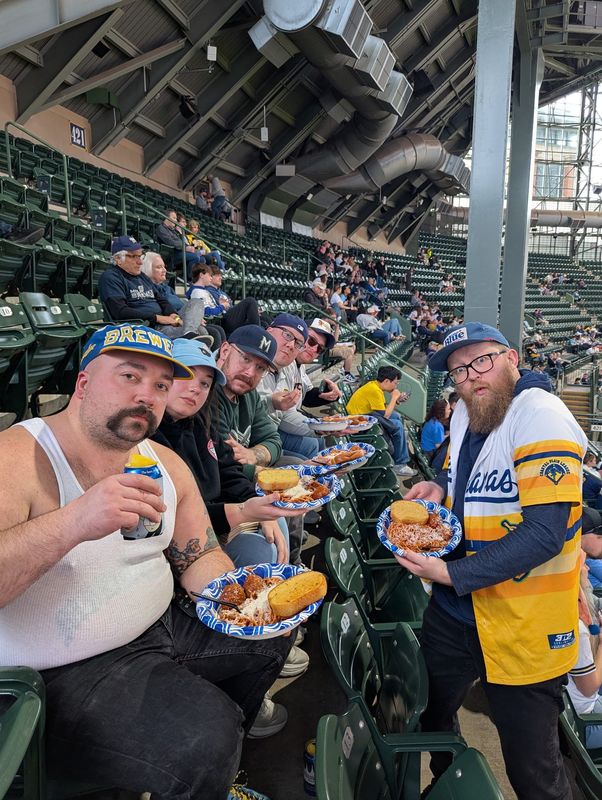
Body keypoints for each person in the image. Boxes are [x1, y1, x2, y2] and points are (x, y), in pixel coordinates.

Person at [0, 323, 293, 800]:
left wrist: (243, 602)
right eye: (130, 376)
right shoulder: (16, 455)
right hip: (63, 669)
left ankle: (194, 774)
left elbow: (201, 554)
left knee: (273, 633)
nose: (146, 396)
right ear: (83, 382)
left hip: (160, 627)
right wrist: (75, 521)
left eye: (160, 385)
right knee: (206, 740)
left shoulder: (163, 461)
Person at [398, 321, 588, 800]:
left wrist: (449, 572)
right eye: (459, 371)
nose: (470, 376)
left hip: (523, 623)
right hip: (454, 613)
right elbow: (461, 479)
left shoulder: (542, 414)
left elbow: (545, 533)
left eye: (481, 360)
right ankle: (449, 785)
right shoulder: (467, 411)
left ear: (511, 358)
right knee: (434, 717)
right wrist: (440, 487)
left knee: (534, 771)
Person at [98, 236, 207, 341]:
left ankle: (188, 333)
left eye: (140, 256)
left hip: (164, 322)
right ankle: (188, 334)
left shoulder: (141, 276)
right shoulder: (111, 277)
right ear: (118, 259)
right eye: (134, 256)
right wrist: (158, 318)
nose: (140, 262)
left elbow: (162, 300)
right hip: (146, 328)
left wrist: (173, 314)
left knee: (196, 302)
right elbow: (120, 312)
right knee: (202, 332)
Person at [215, 325, 283, 482]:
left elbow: (274, 440)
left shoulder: (249, 394)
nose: (250, 373)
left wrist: (253, 454)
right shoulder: (206, 391)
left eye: (260, 368)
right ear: (225, 351)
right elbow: (226, 461)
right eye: (245, 359)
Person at [346, 365, 416, 478]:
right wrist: (394, 397)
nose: (396, 386)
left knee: (397, 416)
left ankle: (398, 450)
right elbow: (385, 415)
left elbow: (384, 411)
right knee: (398, 425)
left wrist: (397, 401)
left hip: (366, 417)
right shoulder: (374, 390)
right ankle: (400, 464)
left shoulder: (375, 386)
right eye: (395, 383)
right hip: (358, 423)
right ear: (387, 381)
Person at [567, 551, 602, 749]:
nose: (588, 567)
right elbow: (589, 688)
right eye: (583, 565)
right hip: (586, 722)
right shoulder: (577, 628)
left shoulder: (574, 611)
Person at [186, 264, 260, 340]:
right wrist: (222, 306)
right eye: (210, 275)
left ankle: (257, 336)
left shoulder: (203, 291)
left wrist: (222, 305)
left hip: (220, 318)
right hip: (220, 321)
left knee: (261, 318)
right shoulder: (198, 292)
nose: (210, 278)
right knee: (250, 301)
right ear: (201, 275)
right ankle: (257, 336)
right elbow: (206, 311)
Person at [155, 209, 202, 278]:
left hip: (178, 251)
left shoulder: (173, 230)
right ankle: (188, 279)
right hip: (170, 254)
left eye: (176, 218)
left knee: (201, 258)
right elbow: (170, 242)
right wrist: (185, 247)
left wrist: (188, 247)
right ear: (167, 218)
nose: (176, 221)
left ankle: (192, 278)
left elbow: (180, 241)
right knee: (195, 257)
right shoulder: (161, 228)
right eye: (174, 218)